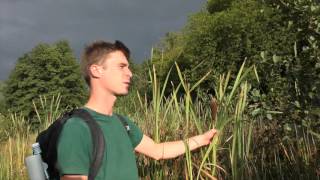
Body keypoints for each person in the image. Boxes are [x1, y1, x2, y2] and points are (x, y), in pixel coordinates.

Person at [57, 40, 217, 180]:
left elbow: (157, 150)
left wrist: (201, 140)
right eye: (121, 66)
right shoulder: (76, 128)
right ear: (96, 70)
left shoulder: (123, 123)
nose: (130, 73)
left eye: (128, 67)